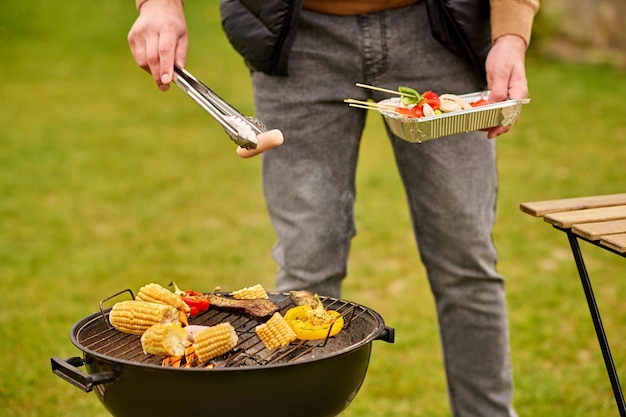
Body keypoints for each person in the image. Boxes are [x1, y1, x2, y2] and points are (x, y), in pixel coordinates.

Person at [128, 0, 539, 416]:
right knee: (308, 270)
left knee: (466, 261)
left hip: (438, 30)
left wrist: (511, 31)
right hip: (296, 38)